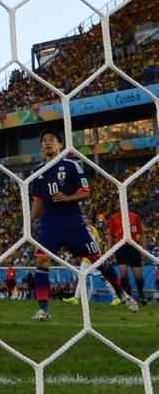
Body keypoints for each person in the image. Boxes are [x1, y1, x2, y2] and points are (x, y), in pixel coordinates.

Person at [29, 130, 138, 320]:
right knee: (41, 260)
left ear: (60, 145)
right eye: (44, 141)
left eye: (51, 140)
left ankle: (123, 295)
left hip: (73, 224)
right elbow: (37, 201)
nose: (47, 144)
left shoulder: (71, 165)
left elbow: (86, 191)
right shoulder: (37, 172)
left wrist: (67, 197)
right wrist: (29, 223)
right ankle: (44, 310)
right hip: (49, 226)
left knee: (98, 259)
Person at [107, 207, 147, 305]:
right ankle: (128, 297)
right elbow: (111, 235)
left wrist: (143, 249)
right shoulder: (114, 218)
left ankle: (141, 294)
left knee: (138, 275)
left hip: (134, 246)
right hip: (121, 247)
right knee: (123, 272)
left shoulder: (134, 217)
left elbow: (141, 233)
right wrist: (110, 250)